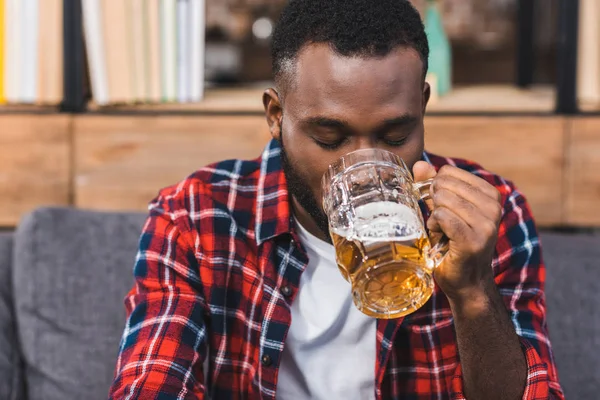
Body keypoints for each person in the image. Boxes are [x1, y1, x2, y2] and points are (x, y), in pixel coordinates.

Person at [108, 1, 564, 399]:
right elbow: (152, 383)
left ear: (423, 106)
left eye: (395, 135)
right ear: (276, 115)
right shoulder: (194, 216)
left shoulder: (487, 215)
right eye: (330, 136)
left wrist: (472, 291)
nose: (363, 166)